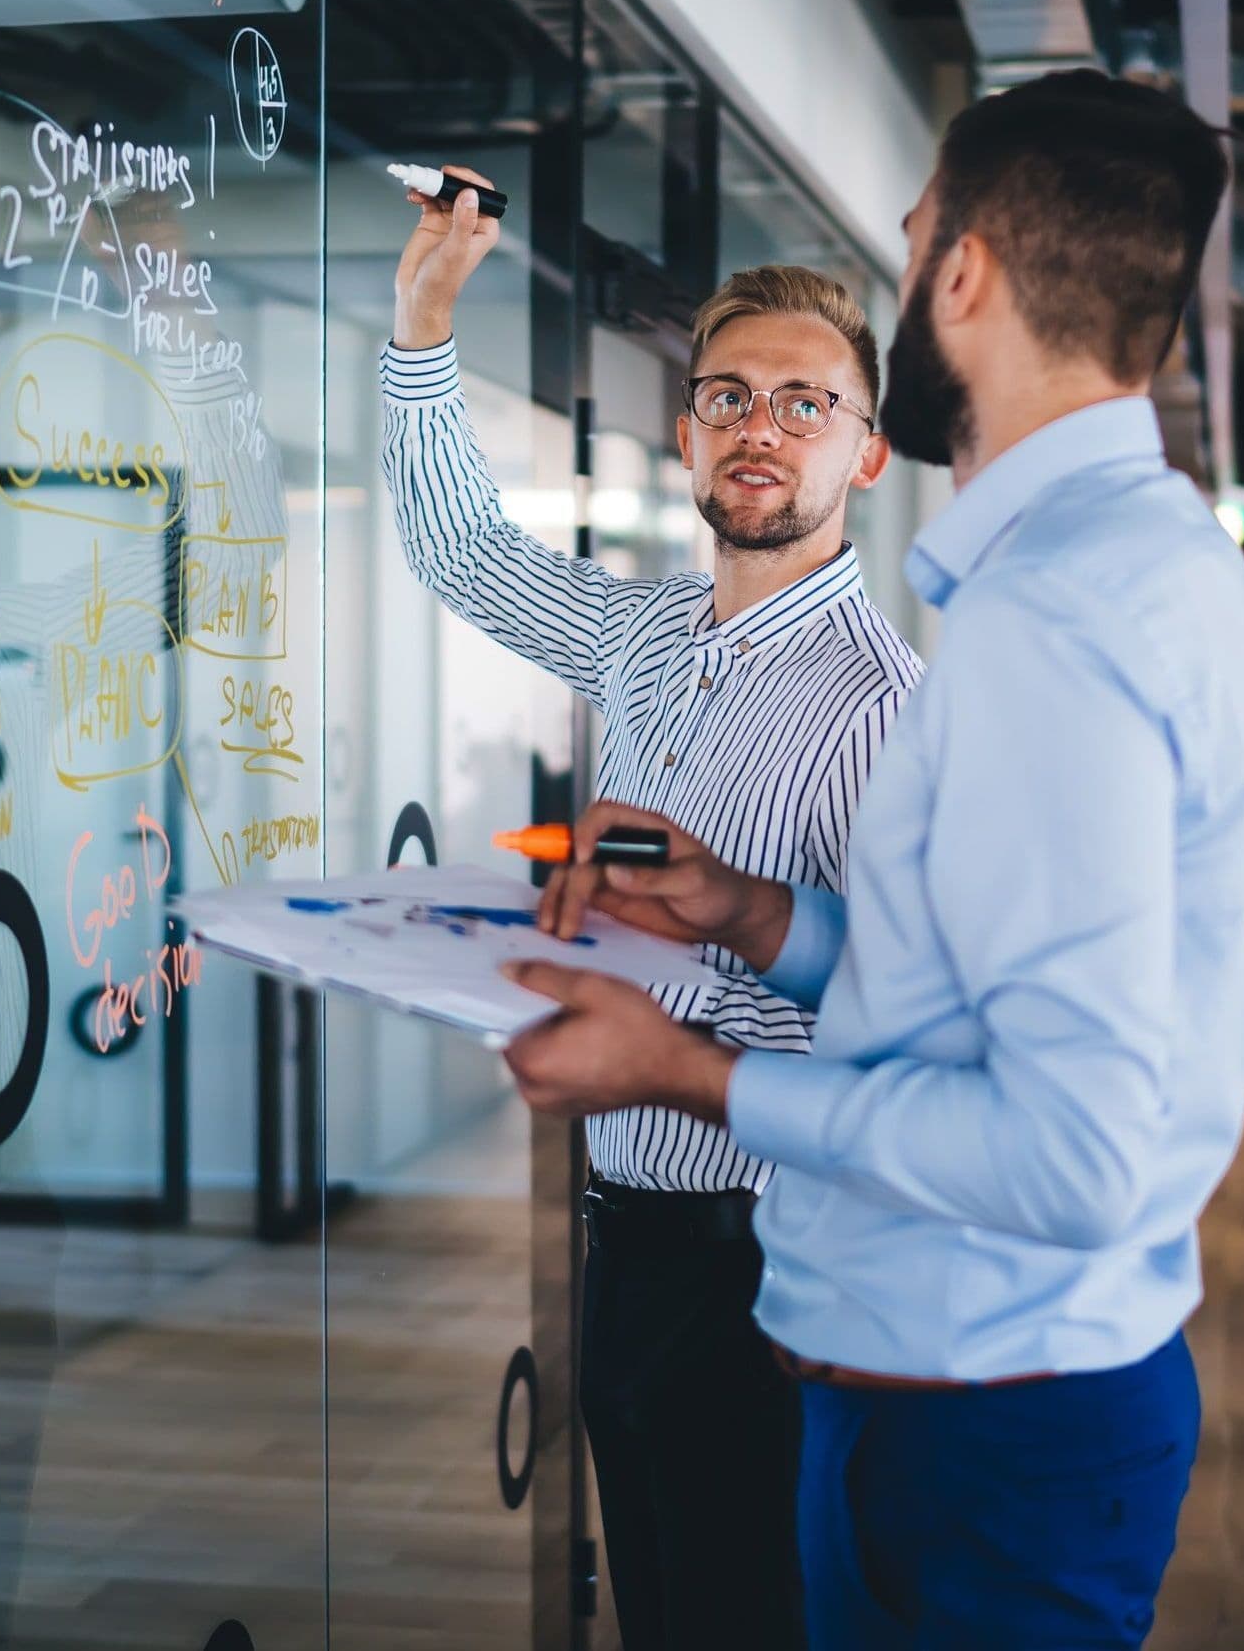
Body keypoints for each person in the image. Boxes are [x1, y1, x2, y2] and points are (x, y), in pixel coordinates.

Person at [498, 72, 1244, 1650]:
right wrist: (747, 909)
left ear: (963, 278)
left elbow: (1066, 1150)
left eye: (915, 235)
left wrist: (686, 1073)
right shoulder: (1147, 571)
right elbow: (971, 995)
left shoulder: (1049, 624)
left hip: (977, 1435)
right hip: (994, 1405)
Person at [381, 169, 920, 1650]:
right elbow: (459, 553)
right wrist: (425, 318)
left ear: (866, 452)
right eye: (729, 395)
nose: (762, 427)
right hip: (628, 1227)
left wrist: (693, 972)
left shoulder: (887, 712)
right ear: (685, 433)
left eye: (807, 404)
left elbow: (901, 1008)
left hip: (774, 1249)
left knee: (746, 1617)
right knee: (661, 1614)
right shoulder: (642, 634)